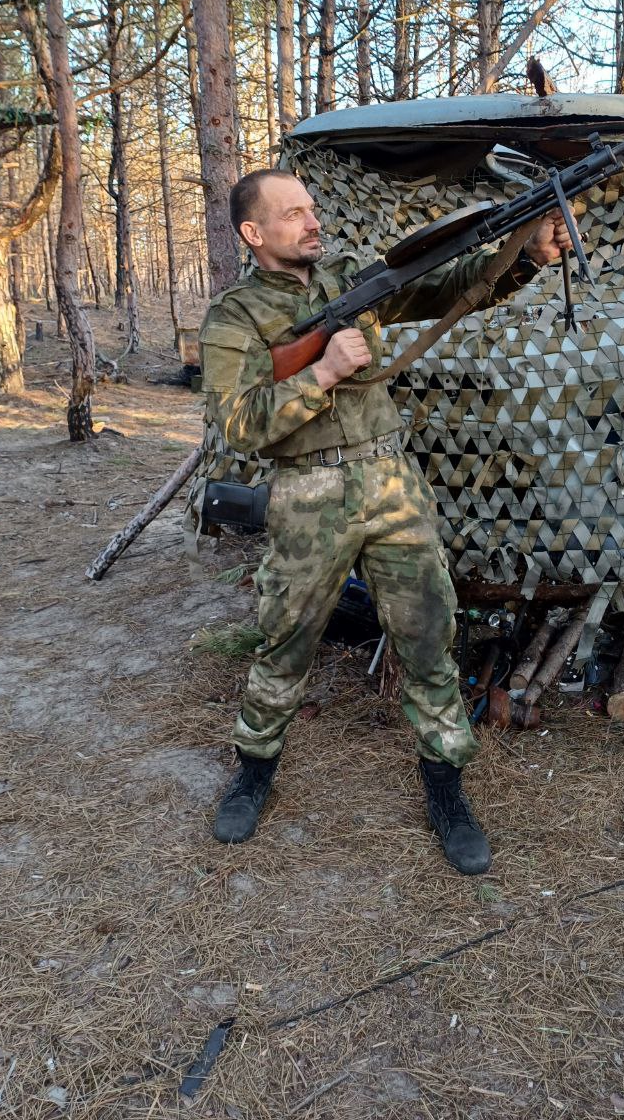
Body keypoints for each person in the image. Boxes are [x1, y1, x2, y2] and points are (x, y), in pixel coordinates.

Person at [199, 169, 570, 874]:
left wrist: (523, 256)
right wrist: (322, 374)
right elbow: (239, 425)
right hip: (306, 492)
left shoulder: (352, 278)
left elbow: (449, 285)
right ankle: (253, 769)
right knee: (286, 640)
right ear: (253, 233)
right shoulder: (235, 316)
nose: (312, 222)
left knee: (430, 633)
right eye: (291, 214)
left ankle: (446, 787)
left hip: (391, 480)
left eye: (311, 208)